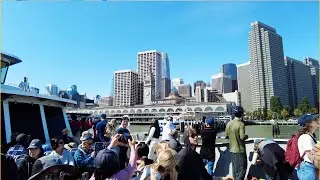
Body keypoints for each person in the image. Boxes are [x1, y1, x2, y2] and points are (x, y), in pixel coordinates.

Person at [226, 106, 248, 180]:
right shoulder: (241, 124)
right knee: (242, 168)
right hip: (240, 150)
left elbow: (226, 136)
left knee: (235, 170)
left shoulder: (228, 123)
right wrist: (246, 136)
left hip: (232, 150)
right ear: (241, 114)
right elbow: (242, 137)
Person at [296, 114, 319, 180]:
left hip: (310, 168)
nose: (317, 120)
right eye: (314, 119)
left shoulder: (310, 136)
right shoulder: (306, 137)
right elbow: (311, 157)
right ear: (309, 124)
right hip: (308, 170)